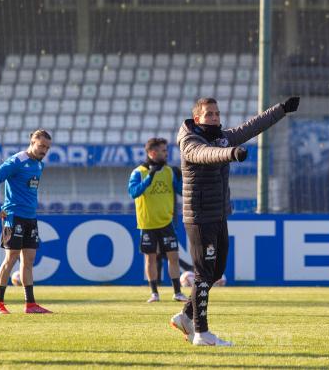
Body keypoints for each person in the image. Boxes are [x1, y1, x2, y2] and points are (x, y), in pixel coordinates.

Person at [170, 96, 300, 346]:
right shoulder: (189, 140)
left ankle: (186, 316)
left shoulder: (221, 136)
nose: (215, 117)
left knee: (216, 271)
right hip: (199, 217)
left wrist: (281, 110)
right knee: (203, 273)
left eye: (217, 113)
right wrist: (230, 153)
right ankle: (202, 333)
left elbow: (252, 126)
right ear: (197, 118)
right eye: (209, 114)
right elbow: (204, 154)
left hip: (218, 214)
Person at [0, 129, 53, 314]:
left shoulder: (39, 165)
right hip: (14, 215)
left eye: (47, 147)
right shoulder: (17, 161)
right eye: (41, 146)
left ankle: (30, 304)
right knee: (12, 257)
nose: (44, 150)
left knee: (29, 259)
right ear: (32, 142)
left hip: (30, 217)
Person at [128, 137, 188, 303]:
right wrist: (150, 178)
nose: (166, 154)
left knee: (173, 257)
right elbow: (133, 192)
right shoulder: (138, 172)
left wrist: (184, 178)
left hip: (166, 222)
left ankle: (177, 292)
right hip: (147, 223)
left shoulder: (169, 171)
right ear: (152, 152)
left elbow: (181, 191)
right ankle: (154, 293)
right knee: (150, 258)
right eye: (162, 151)